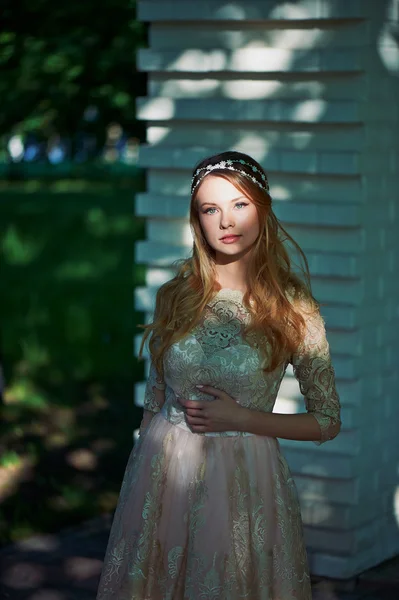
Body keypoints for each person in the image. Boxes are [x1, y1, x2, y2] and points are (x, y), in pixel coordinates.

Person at [96, 150, 341, 600]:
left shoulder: (293, 308)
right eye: (211, 209)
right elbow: (154, 403)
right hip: (164, 476)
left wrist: (244, 419)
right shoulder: (176, 296)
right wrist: (138, 497)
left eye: (239, 204)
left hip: (246, 482)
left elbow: (327, 420)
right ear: (198, 221)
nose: (226, 220)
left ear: (263, 209)